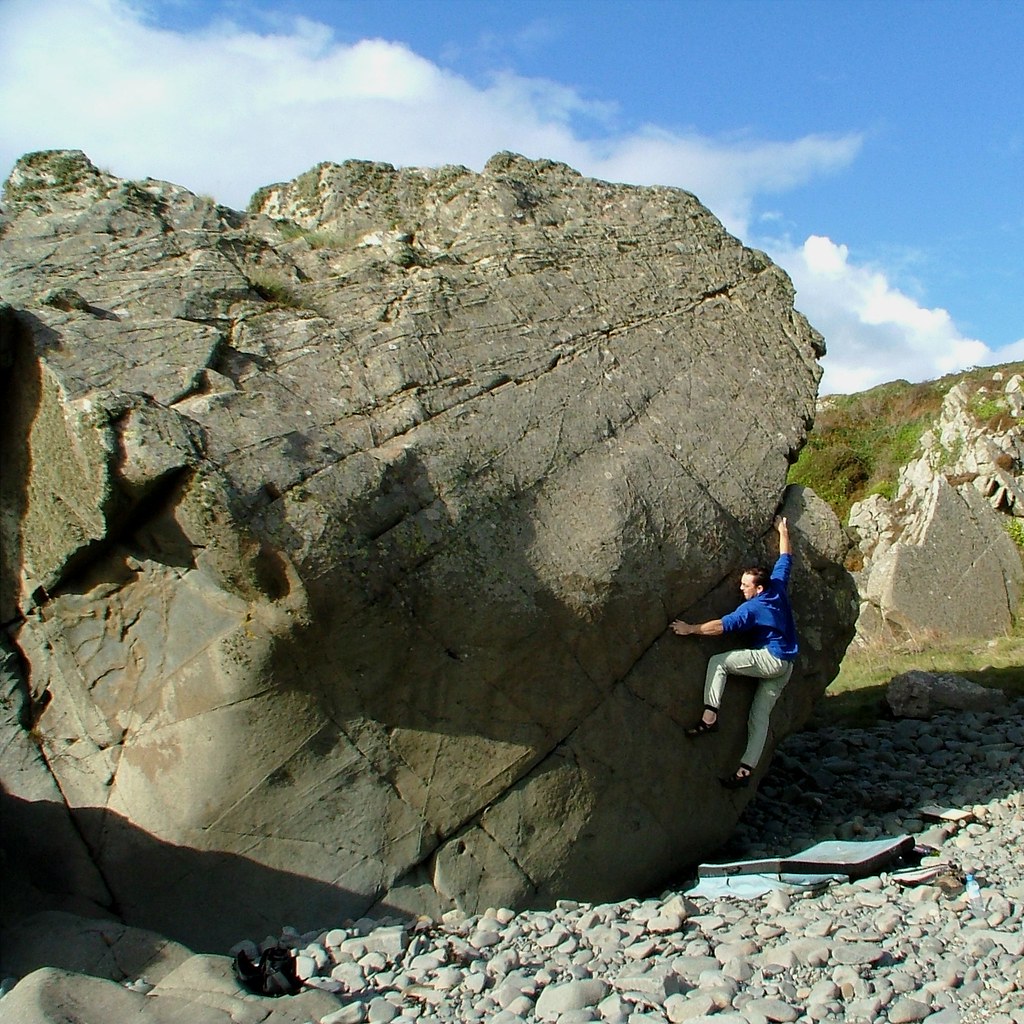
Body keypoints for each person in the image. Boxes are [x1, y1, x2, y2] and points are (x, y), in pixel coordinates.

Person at [670, 516, 798, 789]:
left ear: (758, 588)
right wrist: (783, 530)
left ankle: (710, 715)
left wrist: (690, 629)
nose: (740, 588)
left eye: (745, 585)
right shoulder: (777, 585)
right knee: (759, 718)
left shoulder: (753, 608)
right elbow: (785, 557)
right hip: (787, 665)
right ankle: (745, 770)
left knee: (719, 662)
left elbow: (720, 627)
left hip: (771, 659)